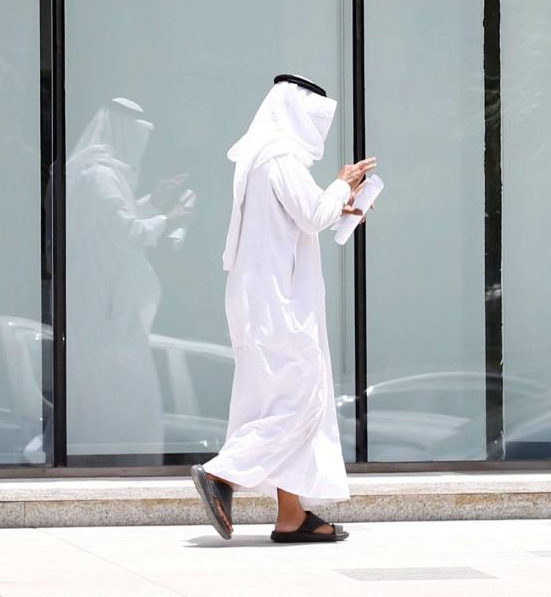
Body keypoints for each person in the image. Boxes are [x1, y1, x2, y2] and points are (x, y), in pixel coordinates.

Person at [191, 75, 376, 543]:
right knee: (302, 400)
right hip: (278, 305)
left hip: (262, 301)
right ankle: (223, 475)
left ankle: (292, 515)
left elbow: (301, 217)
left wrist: (340, 204)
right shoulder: (279, 157)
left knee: (275, 401)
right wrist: (339, 186)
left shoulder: (259, 158)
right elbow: (313, 214)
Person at [65, 98, 194, 459]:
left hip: (108, 300)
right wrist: (172, 217)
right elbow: (127, 233)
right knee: (119, 392)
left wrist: (155, 199)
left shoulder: (101, 173)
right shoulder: (100, 176)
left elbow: (117, 222)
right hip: (104, 305)